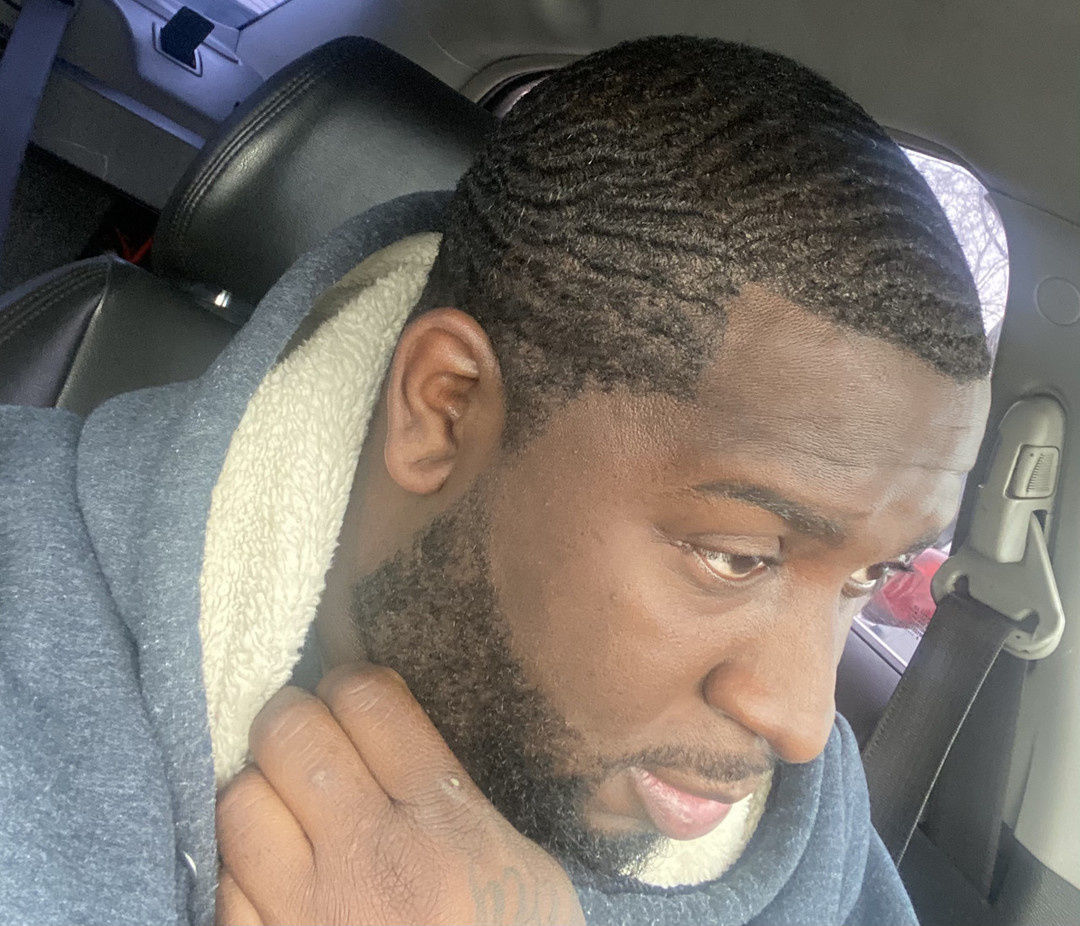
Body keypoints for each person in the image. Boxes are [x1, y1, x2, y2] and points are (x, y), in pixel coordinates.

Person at [0, 35, 991, 926]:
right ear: (444, 408)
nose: (805, 723)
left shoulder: (808, 823)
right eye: (737, 556)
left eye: (870, 574)